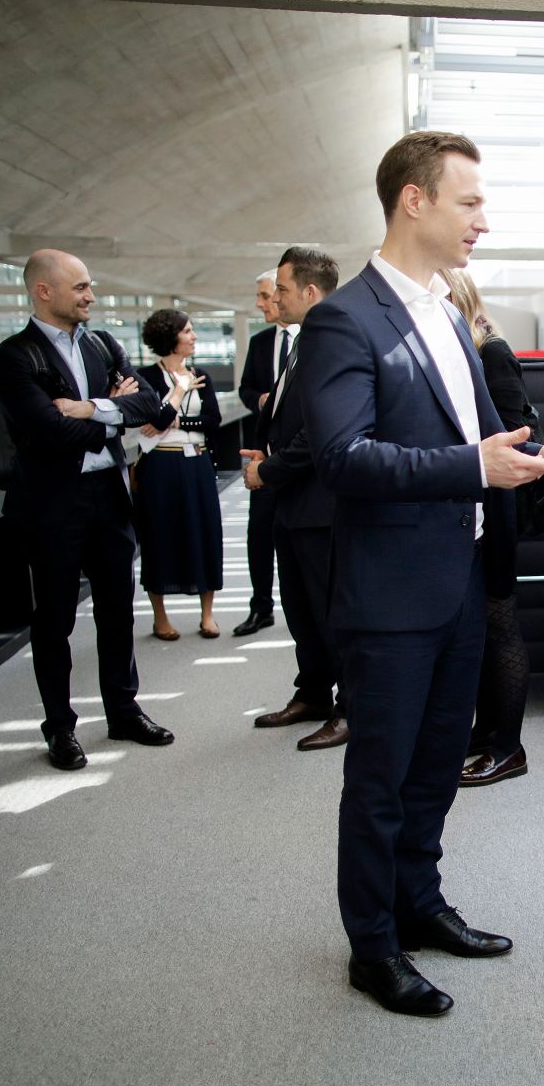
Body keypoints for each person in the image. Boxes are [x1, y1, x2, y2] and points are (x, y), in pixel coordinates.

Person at [302, 131, 544, 1017]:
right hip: (390, 590)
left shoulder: (447, 315)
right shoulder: (343, 318)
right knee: (381, 776)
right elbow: (344, 458)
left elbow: (476, 435)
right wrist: (475, 469)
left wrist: (532, 462)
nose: (482, 219)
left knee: (433, 766)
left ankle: (418, 904)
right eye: (469, 202)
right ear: (413, 201)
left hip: (462, 577)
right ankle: (372, 946)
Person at [0, 249, 179, 772]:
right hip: (51, 505)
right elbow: (49, 434)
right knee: (54, 620)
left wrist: (91, 408)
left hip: (109, 497)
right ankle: (60, 728)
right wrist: (115, 413)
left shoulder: (102, 343)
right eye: (80, 288)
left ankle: (123, 710)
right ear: (44, 291)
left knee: (117, 608)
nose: (90, 296)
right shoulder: (13, 358)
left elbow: (156, 410)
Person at [242, 246, 348, 751]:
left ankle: (351, 707)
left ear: (309, 291)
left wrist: (268, 469)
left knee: (333, 612)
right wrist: (264, 450)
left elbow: (320, 435)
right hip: (294, 504)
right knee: (300, 608)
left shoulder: (331, 342)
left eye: (281, 289)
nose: (274, 298)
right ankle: (312, 694)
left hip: (322, 506)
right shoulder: (301, 342)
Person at [443, 268, 531, 788]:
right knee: (477, 628)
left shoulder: (491, 351)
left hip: (495, 507)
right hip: (470, 507)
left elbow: (513, 434)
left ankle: (508, 747)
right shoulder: (463, 351)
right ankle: (484, 734)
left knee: (500, 625)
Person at [135, 308, 223, 640]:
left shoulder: (202, 374)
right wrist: (178, 395)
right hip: (160, 464)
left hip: (197, 461)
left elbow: (212, 420)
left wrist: (179, 422)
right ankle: (160, 617)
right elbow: (155, 419)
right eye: (187, 331)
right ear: (170, 336)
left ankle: (207, 614)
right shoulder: (146, 377)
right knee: (159, 534)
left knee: (205, 532)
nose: (194, 336)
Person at [232, 270, 290, 638]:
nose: (260, 303)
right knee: (259, 537)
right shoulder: (259, 342)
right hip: (264, 457)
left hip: (303, 462)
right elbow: (246, 389)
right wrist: (260, 400)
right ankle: (261, 608)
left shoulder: (317, 340)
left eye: (265, 295)